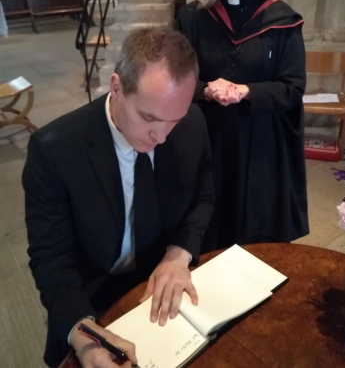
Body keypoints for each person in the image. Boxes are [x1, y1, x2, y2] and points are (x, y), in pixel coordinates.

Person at [23, 28, 214, 368]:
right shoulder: (55, 151)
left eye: (174, 120)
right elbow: (51, 257)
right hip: (91, 294)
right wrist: (85, 336)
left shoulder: (192, 123)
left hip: (160, 278)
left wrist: (179, 252)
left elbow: (204, 195)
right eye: (149, 118)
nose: (161, 136)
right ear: (116, 87)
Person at [177, 0, 308, 252]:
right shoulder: (193, 18)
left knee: (256, 235)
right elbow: (176, 80)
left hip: (260, 145)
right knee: (209, 226)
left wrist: (244, 91)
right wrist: (206, 88)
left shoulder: (281, 21)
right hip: (210, 139)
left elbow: (292, 87)